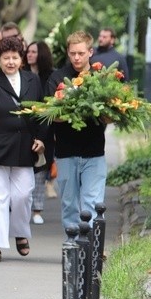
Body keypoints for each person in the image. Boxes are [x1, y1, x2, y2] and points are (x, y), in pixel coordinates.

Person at [0, 36, 46, 262]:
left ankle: (20, 232)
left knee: (23, 194)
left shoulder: (32, 80)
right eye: (5, 58)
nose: (10, 62)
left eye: (15, 57)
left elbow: (41, 112)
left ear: (22, 59)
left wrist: (41, 139)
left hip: (25, 146)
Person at [46, 31, 108, 229]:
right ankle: (73, 248)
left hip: (94, 152)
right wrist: (75, 112)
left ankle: (91, 248)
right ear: (68, 52)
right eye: (72, 53)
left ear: (91, 51)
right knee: (69, 204)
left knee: (92, 203)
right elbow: (50, 114)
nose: (76, 57)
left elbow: (111, 112)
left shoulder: (101, 77)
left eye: (81, 53)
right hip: (65, 152)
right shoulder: (57, 78)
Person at [26, 40, 56, 224]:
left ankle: (37, 209)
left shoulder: (51, 77)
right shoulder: (21, 75)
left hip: (44, 129)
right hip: (25, 128)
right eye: (28, 51)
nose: (29, 54)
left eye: (33, 52)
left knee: (40, 170)